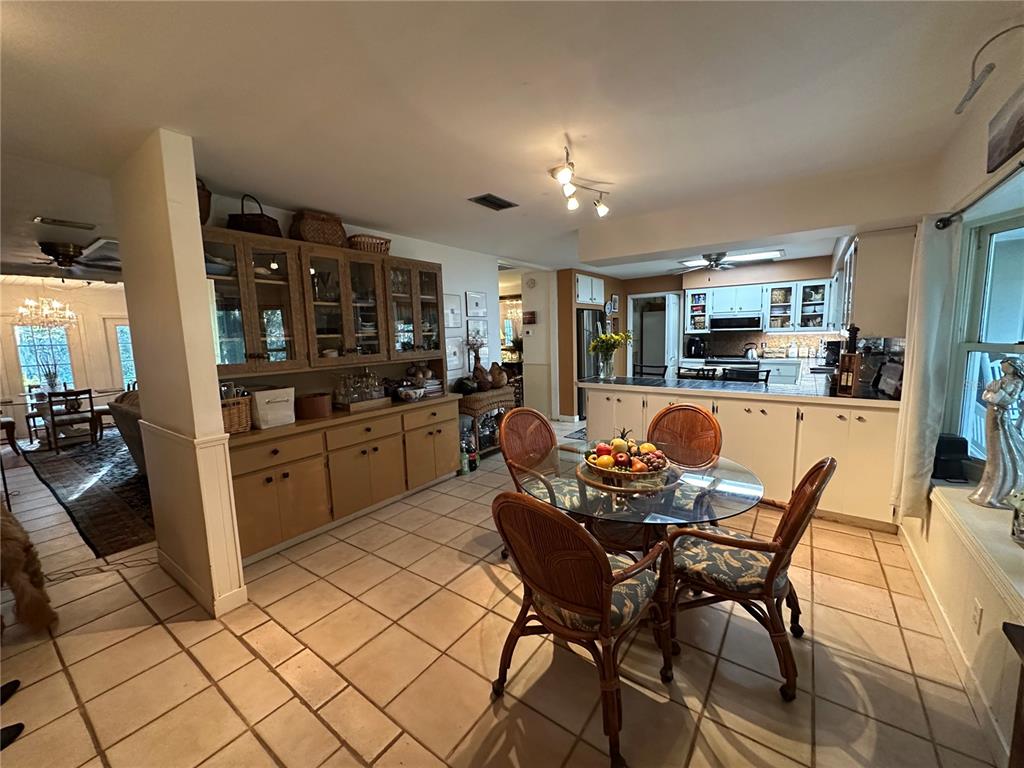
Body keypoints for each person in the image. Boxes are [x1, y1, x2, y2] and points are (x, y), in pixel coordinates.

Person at [970, 356, 1024, 507]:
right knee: (992, 449)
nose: (1003, 367)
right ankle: (989, 488)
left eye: (1006, 365)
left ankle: (1001, 489)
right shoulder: (1000, 380)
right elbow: (986, 395)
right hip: (991, 413)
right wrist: (993, 393)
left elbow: (1009, 400)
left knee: (1000, 449)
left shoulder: (1017, 382)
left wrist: (996, 393)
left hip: (1000, 416)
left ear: (1014, 367)